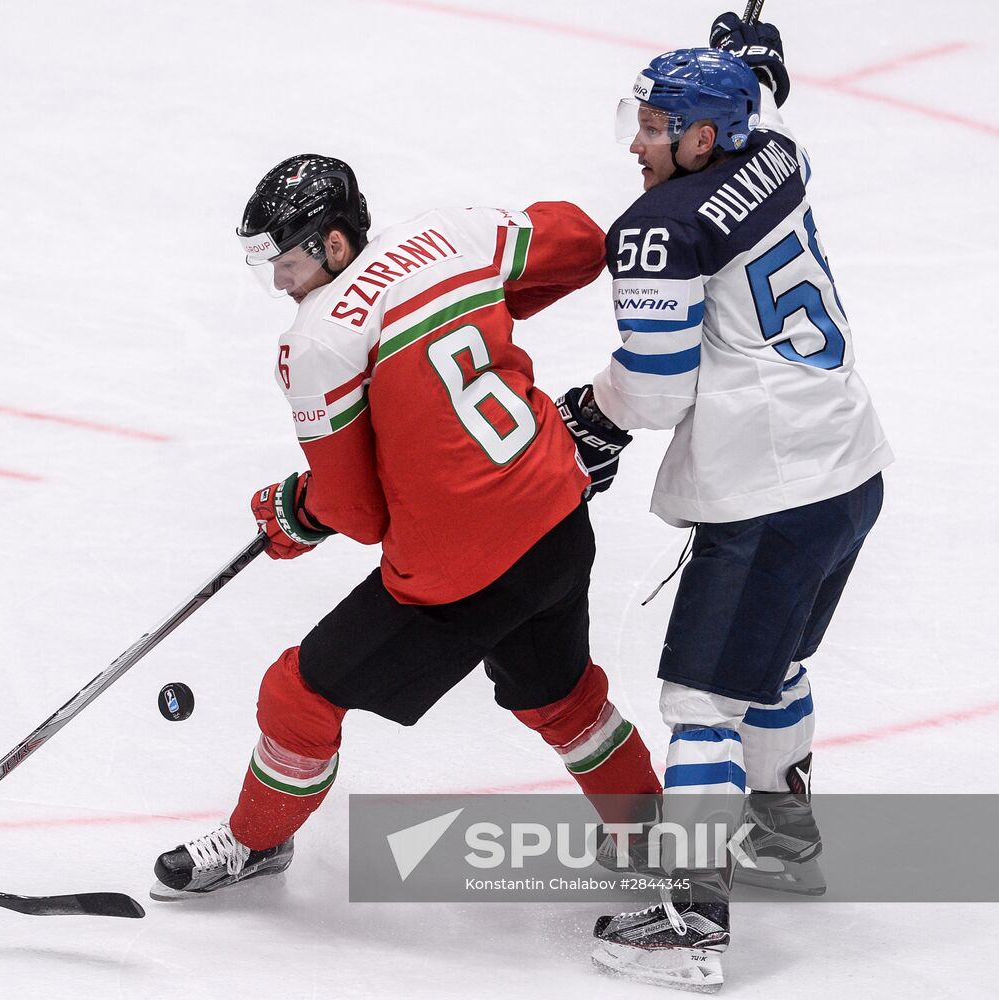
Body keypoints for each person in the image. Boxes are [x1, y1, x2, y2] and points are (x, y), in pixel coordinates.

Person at [148, 153, 664, 899]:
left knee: (298, 693)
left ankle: (257, 842)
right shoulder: (450, 233)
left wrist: (301, 511)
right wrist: (491, 302)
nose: (278, 282)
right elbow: (584, 243)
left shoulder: (318, 340)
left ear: (331, 243)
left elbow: (357, 512)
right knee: (563, 695)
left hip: (460, 574)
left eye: (285, 261)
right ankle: (652, 836)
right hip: (555, 519)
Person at [570, 14, 893, 993]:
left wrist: (592, 413)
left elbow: (658, 390)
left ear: (705, 137)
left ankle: (689, 921)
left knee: (701, 702)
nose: (637, 140)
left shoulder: (661, 231)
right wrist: (747, 70)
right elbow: (762, 116)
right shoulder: (781, 156)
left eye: (658, 123)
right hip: (850, 466)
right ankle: (784, 840)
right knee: (776, 663)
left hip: (770, 490)